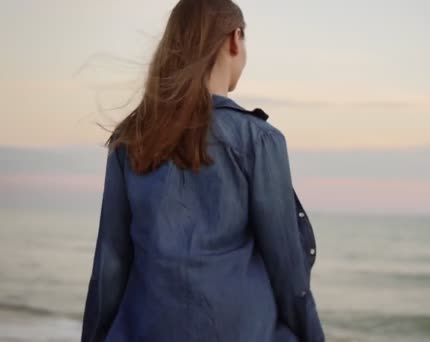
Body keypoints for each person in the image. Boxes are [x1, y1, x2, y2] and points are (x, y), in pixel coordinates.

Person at [80, 0, 324, 341]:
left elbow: (109, 267)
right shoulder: (260, 140)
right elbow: (288, 272)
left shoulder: (131, 139)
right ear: (234, 39)